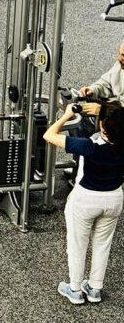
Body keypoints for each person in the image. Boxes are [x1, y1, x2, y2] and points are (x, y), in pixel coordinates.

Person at [43, 103, 124, 305]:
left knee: (78, 245)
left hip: (86, 199)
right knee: (102, 245)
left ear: (103, 124)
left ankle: (75, 289)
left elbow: (49, 135)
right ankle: (95, 288)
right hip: (114, 198)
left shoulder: (89, 146)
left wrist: (68, 115)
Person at [78, 39, 124, 115]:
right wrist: (93, 90)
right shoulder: (120, 65)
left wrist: (104, 110)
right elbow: (106, 83)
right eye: (120, 54)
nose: (119, 59)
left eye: (123, 56)